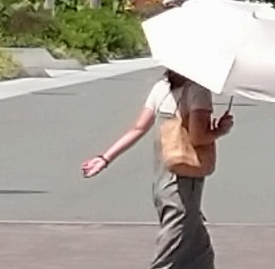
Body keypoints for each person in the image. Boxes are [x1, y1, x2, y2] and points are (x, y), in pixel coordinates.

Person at [83, 69, 233, 268]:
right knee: (170, 253)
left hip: (163, 181)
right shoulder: (198, 91)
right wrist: (220, 130)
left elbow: (138, 128)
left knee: (200, 252)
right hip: (183, 183)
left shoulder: (161, 89)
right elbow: (197, 137)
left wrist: (105, 158)